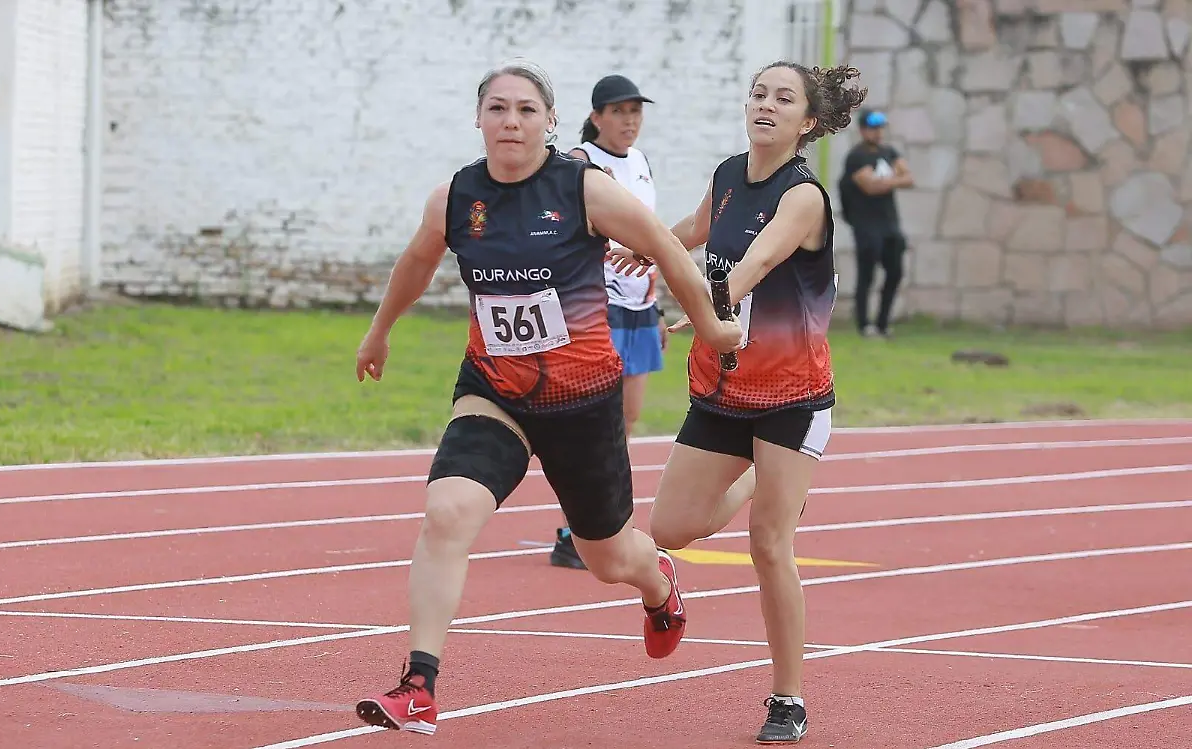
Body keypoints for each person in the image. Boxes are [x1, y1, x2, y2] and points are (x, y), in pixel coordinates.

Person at [352, 58, 743, 737]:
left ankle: (658, 582)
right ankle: (419, 685)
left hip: (582, 402)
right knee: (447, 512)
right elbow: (417, 260)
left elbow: (663, 246)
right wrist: (379, 330)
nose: (511, 121)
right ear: (478, 119)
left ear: (551, 121)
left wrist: (710, 326)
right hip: (495, 390)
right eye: (498, 108)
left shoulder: (583, 189)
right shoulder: (455, 198)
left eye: (526, 110)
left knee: (607, 559)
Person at [609, 60, 867, 744]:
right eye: (758, 94)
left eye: (783, 98)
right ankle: (760, 474)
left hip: (791, 394)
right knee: (669, 528)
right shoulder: (728, 175)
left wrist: (701, 306)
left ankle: (788, 698)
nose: (766, 105)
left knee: (768, 545)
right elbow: (697, 229)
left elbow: (754, 264)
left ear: (808, 121)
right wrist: (652, 245)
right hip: (723, 387)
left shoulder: (803, 196)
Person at [549, 73, 664, 572]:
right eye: (618, 111)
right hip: (597, 306)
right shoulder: (579, 164)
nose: (629, 120)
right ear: (596, 117)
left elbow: (649, 235)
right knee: (595, 424)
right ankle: (575, 530)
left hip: (640, 307)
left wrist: (657, 304)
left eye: (635, 111)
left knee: (627, 420)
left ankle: (602, 525)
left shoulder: (640, 162)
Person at [837, 109, 914, 338]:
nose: (877, 133)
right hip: (866, 225)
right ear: (862, 130)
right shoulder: (856, 157)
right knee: (866, 275)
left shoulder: (889, 152)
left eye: (880, 128)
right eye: (872, 128)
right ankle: (864, 324)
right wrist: (893, 179)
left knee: (895, 273)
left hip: (889, 223)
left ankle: (883, 323)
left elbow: (909, 178)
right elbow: (868, 186)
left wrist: (883, 180)